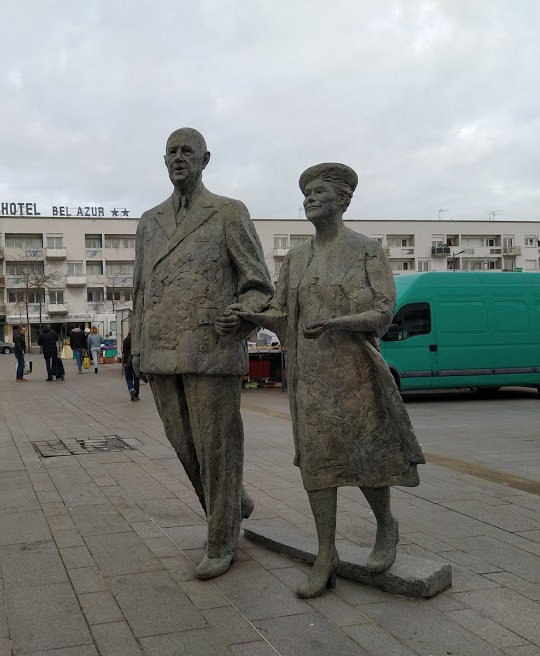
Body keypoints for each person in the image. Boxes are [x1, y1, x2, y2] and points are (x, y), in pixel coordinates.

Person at [228, 163, 425, 598]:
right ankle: (325, 553)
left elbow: (383, 311)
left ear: (343, 199)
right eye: (306, 194)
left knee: (366, 456)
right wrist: (251, 315)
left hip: (355, 373)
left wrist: (339, 322)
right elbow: (281, 313)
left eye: (318, 192)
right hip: (309, 377)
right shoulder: (296, 257)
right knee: (318, 464)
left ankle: (385, 524)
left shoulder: (367, 250)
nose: (309, 199)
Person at [131, 127, 273, 580]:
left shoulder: (229, 212)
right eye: (171, 151)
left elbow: (257, 285)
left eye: (187, 151)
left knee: (217, 447)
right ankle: (233, 502)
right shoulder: (148, 221)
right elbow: (140, 290)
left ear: (205, 159)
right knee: (183, 445)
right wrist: (138, 348)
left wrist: (244, 316)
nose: (178, 158)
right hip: (161, 351)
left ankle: (221, 538)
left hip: (211, 346)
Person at [121, 330, 139, 401]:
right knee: (137, 377)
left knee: (128, 378)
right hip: (135, 361)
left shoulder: (125, 340)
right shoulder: (137, 341)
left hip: (126, 361)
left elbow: (124, 351)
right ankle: (136, 395)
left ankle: (131, 388)